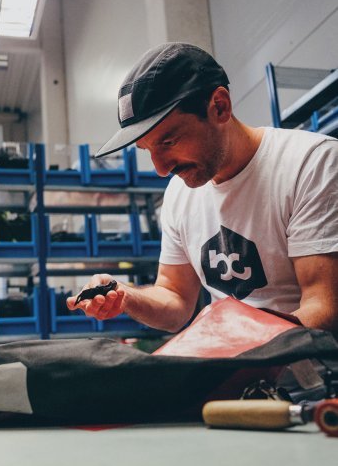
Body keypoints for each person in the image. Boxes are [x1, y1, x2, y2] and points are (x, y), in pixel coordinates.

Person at [67, 42, 338, 333]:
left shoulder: (311, 163)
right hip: (236, 364)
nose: (160, 168)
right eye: (147, 150)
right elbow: (175, 297)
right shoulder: (179, 195)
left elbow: (323, 307)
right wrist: (124, 295)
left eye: (168, 142)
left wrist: (230, 350)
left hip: (312, 370)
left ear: (220, 107)